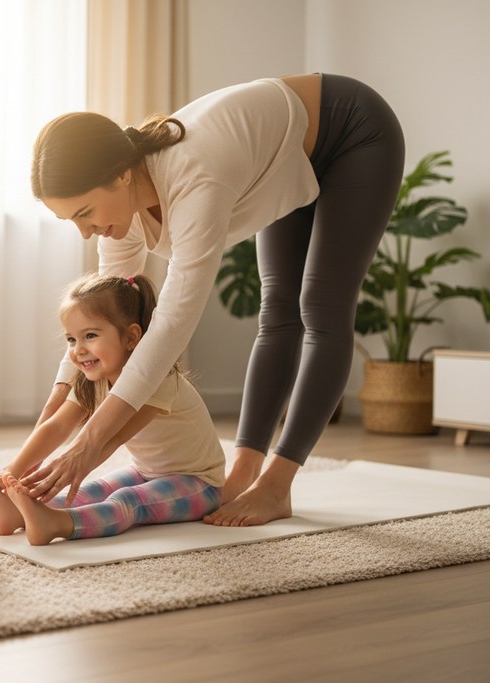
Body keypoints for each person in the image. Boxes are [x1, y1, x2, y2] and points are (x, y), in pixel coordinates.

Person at [21, 73, 405, 527]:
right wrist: (59, 400)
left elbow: (172, 324)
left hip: (353, 133)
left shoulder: (194, 178)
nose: (84, 232)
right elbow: (100, 311)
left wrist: (90, 443)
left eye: (85, 213)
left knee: (321, 309)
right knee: (278, 313)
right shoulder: (123, 209)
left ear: (121, 175)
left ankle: (276, 486)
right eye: (71, 221)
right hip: (287, 153)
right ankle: (242, 474)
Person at [0, 273, 225, 545]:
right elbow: (57, 426)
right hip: (145, 471)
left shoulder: (159, 380)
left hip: (199, 484)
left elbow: (109, 439)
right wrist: (11, 472)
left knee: (128, 500)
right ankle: (15, 516)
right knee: (95, 489)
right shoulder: (94, 381)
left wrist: (57, 472)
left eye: (90, 336)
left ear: (131, 337)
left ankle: (58, 523)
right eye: (71, 339)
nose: (78, 350)